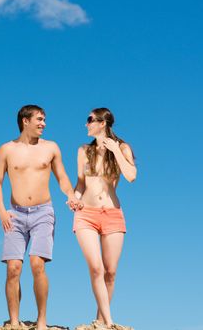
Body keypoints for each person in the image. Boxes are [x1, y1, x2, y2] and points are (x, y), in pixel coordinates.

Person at [0, 105, 80, 330]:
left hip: (43, 212)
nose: (44, 124)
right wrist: (2, 211)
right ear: (25, 121)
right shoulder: (6, 150)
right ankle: (14, 321)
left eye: (44, 120)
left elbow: (62, 178)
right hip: (15, 215)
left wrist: (70, 195)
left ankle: (41, 321)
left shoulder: (51, 148)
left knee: (37, 264)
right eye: (39, 119)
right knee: (13, 268)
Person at [72, 108, 136, 330]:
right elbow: (80, 184)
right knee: (96, 269)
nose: (86, 124)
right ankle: (108, 322)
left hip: (112, 214)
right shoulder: (83, 151)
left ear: (103, 123)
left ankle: (100, 319)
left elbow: (131, 176)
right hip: (86, 215)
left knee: (110, 272)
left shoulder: (122, 147)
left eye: (90, 120)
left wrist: (115, 151)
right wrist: (74, 198)